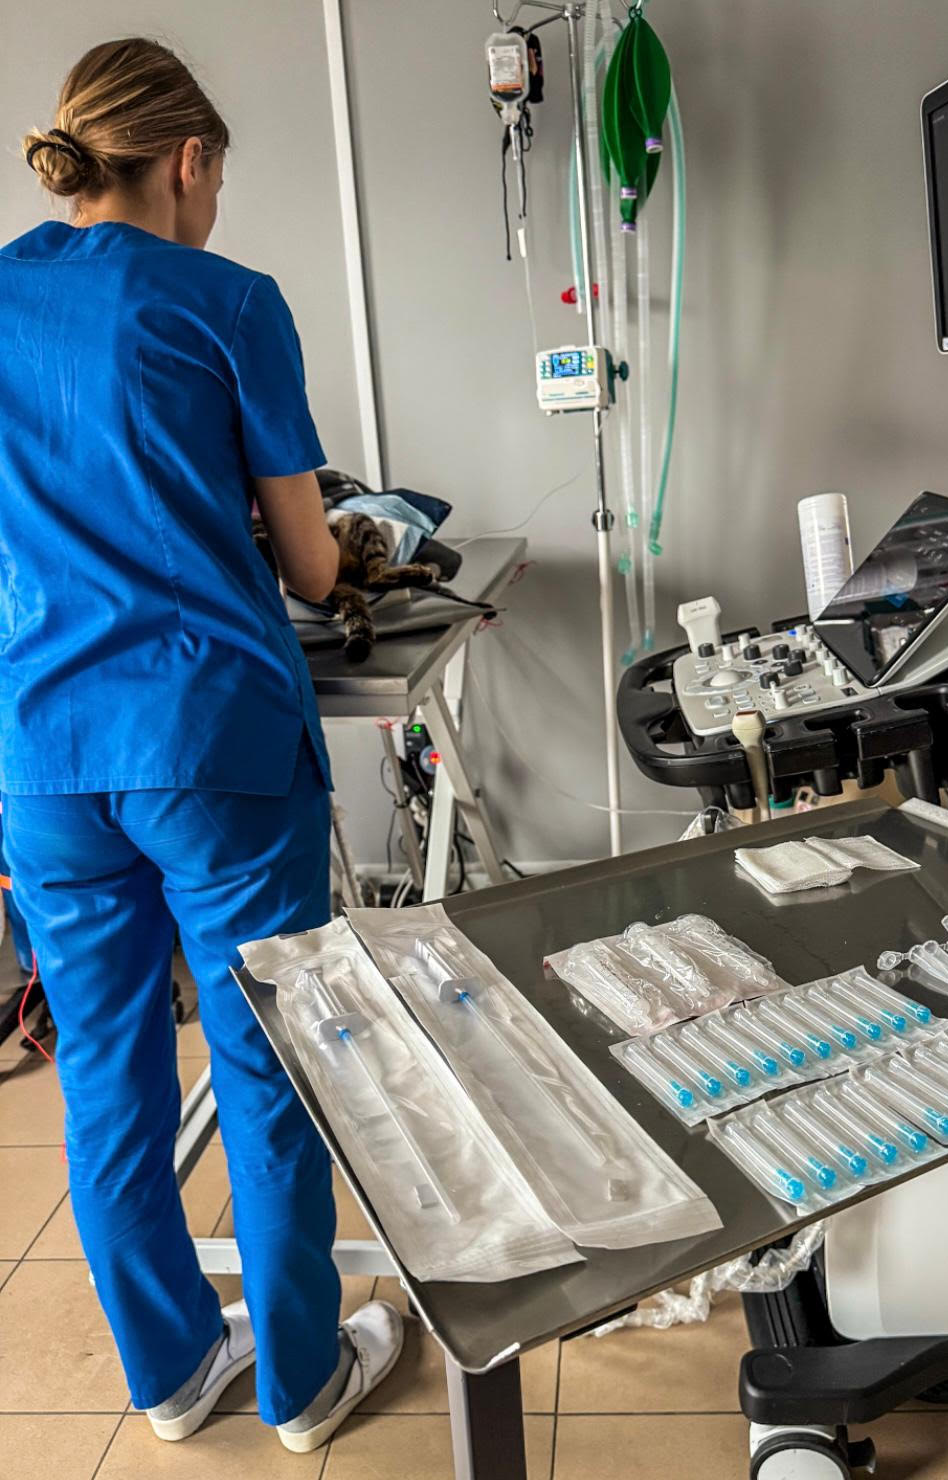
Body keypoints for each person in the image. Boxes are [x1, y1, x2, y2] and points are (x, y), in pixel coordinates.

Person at [0, 38, 403, 1451]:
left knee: (106, 1078)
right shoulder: (230, 299)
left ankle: (171, 1376)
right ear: (188, 161)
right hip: (207, 740)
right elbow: (311, 565)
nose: (216, 203)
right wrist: (327, 541)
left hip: (42, 757)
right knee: (263, 1063)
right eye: (217, 178)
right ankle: (303, 1381)